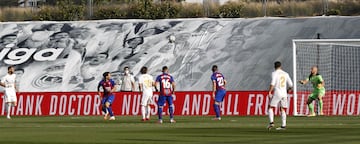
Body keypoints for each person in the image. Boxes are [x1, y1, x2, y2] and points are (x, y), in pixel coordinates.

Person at [267, 61, 293, 130]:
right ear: (281, 66)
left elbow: (273, 83)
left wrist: (269, 91)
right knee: (283, 109)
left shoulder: (274, 73)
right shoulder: (286, 74)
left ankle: (271, 122)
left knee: (270, 107)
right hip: (284, 93)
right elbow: (291, 85)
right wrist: (288, 90)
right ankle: (283, 125)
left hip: (277, 92)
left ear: (274, 67)